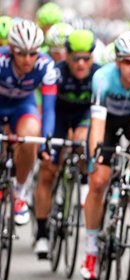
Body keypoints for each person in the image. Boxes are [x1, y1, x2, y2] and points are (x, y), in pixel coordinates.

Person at [81, 31, 130, 280]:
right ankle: (91, 250)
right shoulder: (102, 77)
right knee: (99, 181)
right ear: (117, 61)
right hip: (108, 124)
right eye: (126, 61)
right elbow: (98, 124)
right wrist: (95, 157)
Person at [34, 29, 100, 259]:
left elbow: (99, 114)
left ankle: (82, 181)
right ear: (67, 56)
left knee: (83, 141)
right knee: (48, 170)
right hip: (59, 115)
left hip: (83, 114)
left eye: (86, 58)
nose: (81, 64)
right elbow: (47, 109)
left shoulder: (98, 75)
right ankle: (41, 233)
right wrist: (47, 141)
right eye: (75, 58)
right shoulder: (57, 73)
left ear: (93, 57)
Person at [0, 20, 57, 227]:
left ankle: (19, 192)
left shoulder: (46, 65)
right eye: (21, 53)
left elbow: (49, 108)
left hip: (22, 107)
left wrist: (45, 142)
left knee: (32, 135)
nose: (27, 59)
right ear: (12, 49)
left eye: (32, 53)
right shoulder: (1, 60)